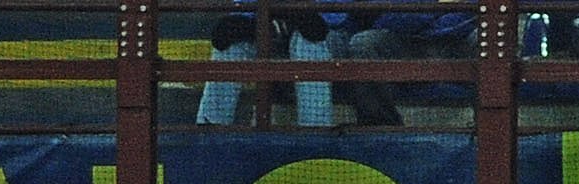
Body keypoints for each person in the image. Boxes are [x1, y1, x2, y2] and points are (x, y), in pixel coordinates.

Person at [196, 1, 349, 127]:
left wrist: (293, 15)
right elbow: (243, 10)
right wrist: (260, 22)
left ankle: (315, 134)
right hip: (278, 31)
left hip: (330, 36)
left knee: (308, 42)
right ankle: (210, 128)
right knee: (232, 42)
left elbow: (333, 18)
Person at [346, 0, 475, 125]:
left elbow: (470, 15)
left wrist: (426, 13)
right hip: (409, 40)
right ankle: (382, 130)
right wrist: (438, 8)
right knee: (363, 43)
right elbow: (391, 19)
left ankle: (486, 129)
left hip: (458, 40)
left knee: (484, 41)